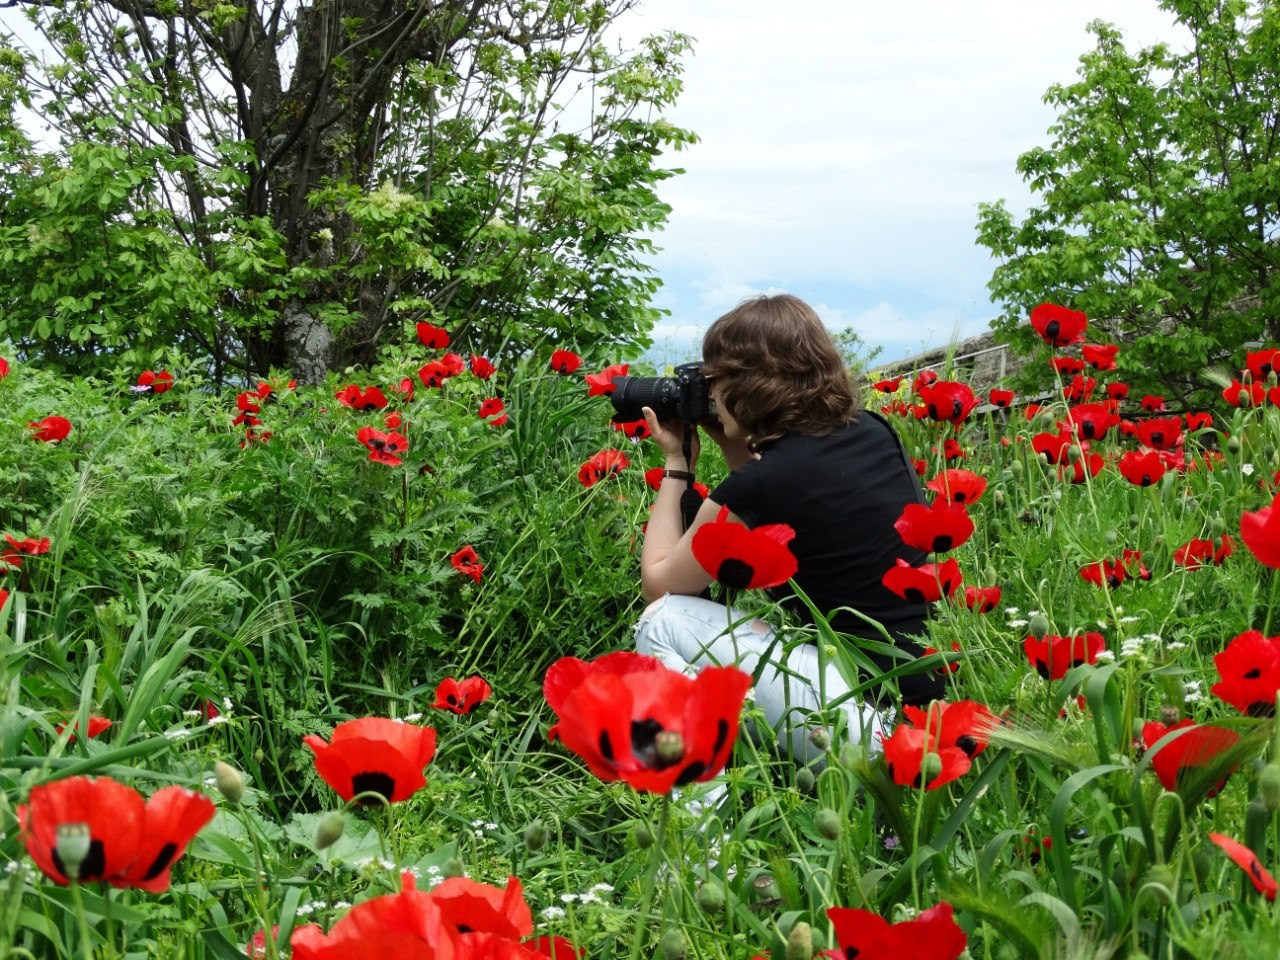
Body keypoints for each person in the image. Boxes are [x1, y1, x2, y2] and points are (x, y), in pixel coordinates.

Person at [635, 294, 944, 762]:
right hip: (926, 709)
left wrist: (677, 462)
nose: (711, 396)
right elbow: (783, 494)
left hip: (866, 723)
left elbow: (660, 584)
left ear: (749, 383)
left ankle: (699, 816)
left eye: (714, 380)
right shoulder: (873, 429)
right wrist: (736, 447)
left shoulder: (766, 482)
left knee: (662, 622)